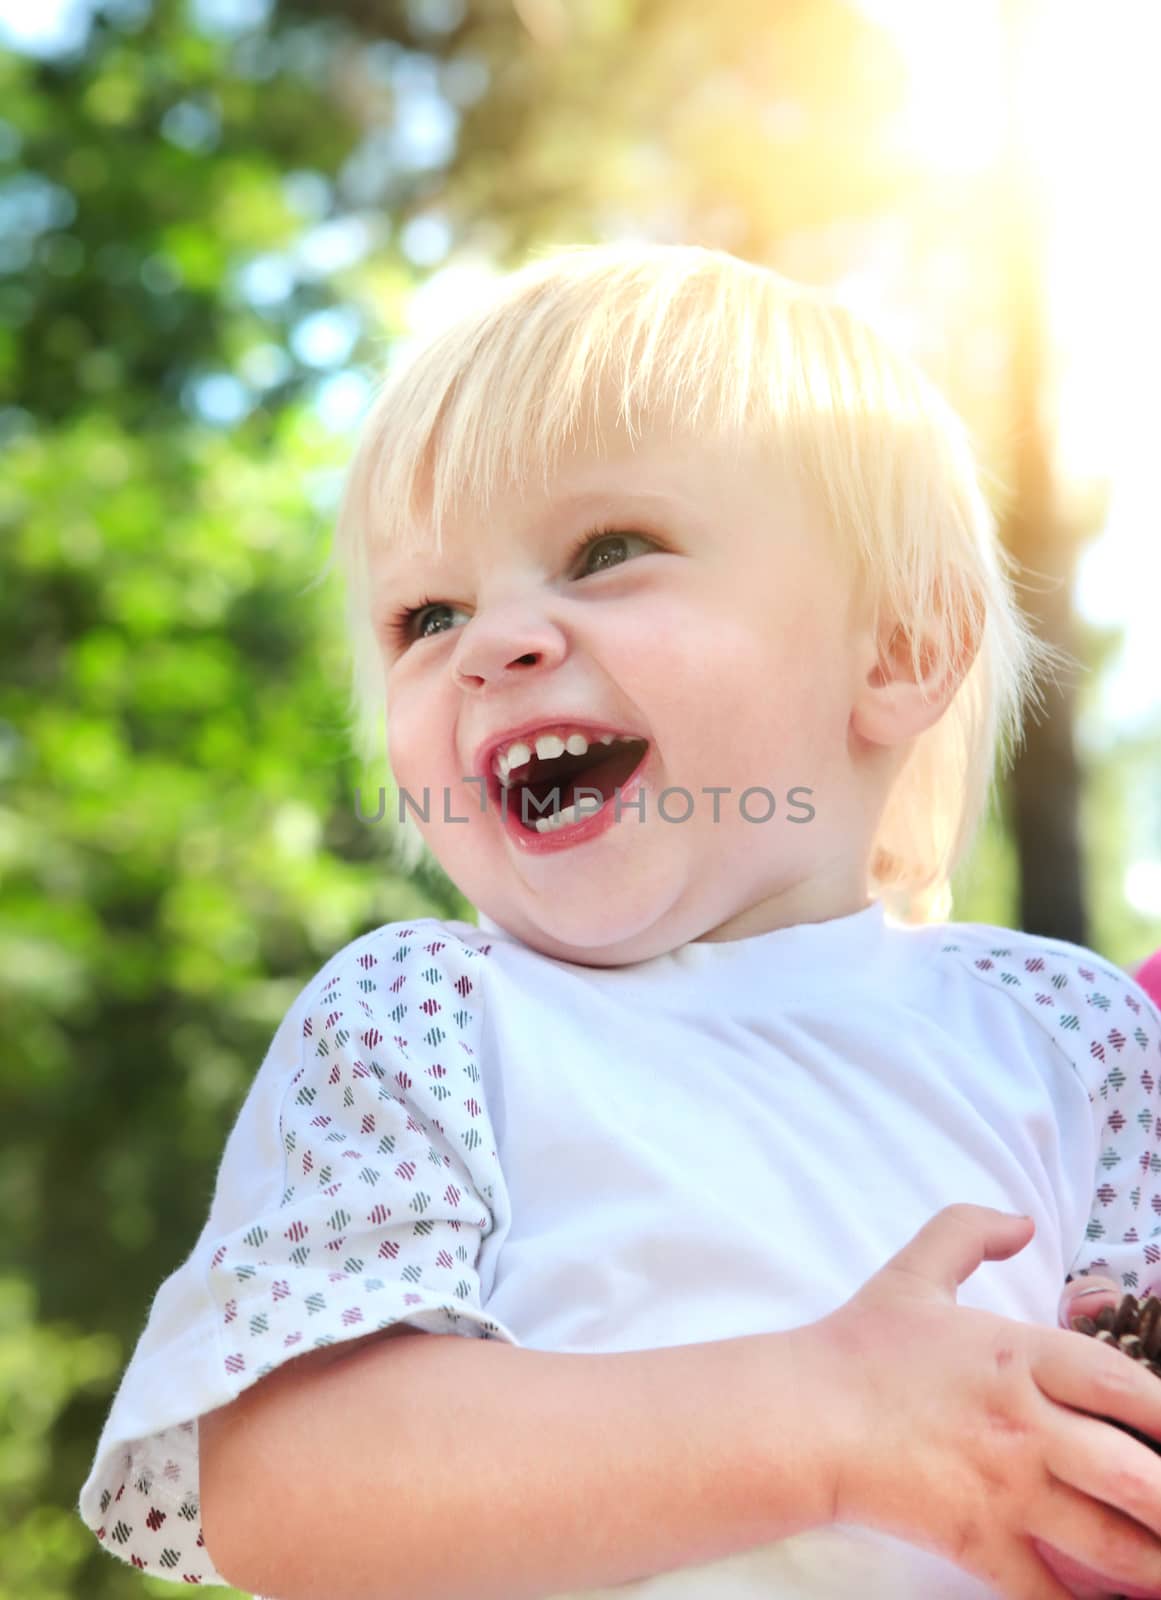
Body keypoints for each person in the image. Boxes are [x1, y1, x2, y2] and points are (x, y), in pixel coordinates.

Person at [77, 241, 1161, 1600]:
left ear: (895, 646)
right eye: (426, 614)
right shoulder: (426, 1018)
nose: (492, 641)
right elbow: (281, 1488)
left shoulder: (1068, 1030)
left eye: (605, 552)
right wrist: (823, 1421)